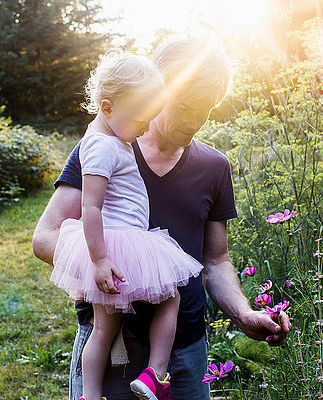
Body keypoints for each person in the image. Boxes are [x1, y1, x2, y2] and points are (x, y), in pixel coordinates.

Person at [33, 36, 292, 400]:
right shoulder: (103, 150)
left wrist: (244, 314)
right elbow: (45, 237)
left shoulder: (215, 168)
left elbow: (215, 260)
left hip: (185, 352)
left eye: (208, 109)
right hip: (111, 348)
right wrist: (113, 267)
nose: (197, 121)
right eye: (187, 106)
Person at [50, 50, 204, 400]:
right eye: (140, 120)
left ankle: (90, 394)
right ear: (107, 108)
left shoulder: (107, 139)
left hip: (119, 244)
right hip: (122, 244)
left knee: (104, 329)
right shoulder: (103, 147)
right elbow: (91, 207)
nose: (146, 128)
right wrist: (100, 260)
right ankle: (155, 373)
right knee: (171, 299)